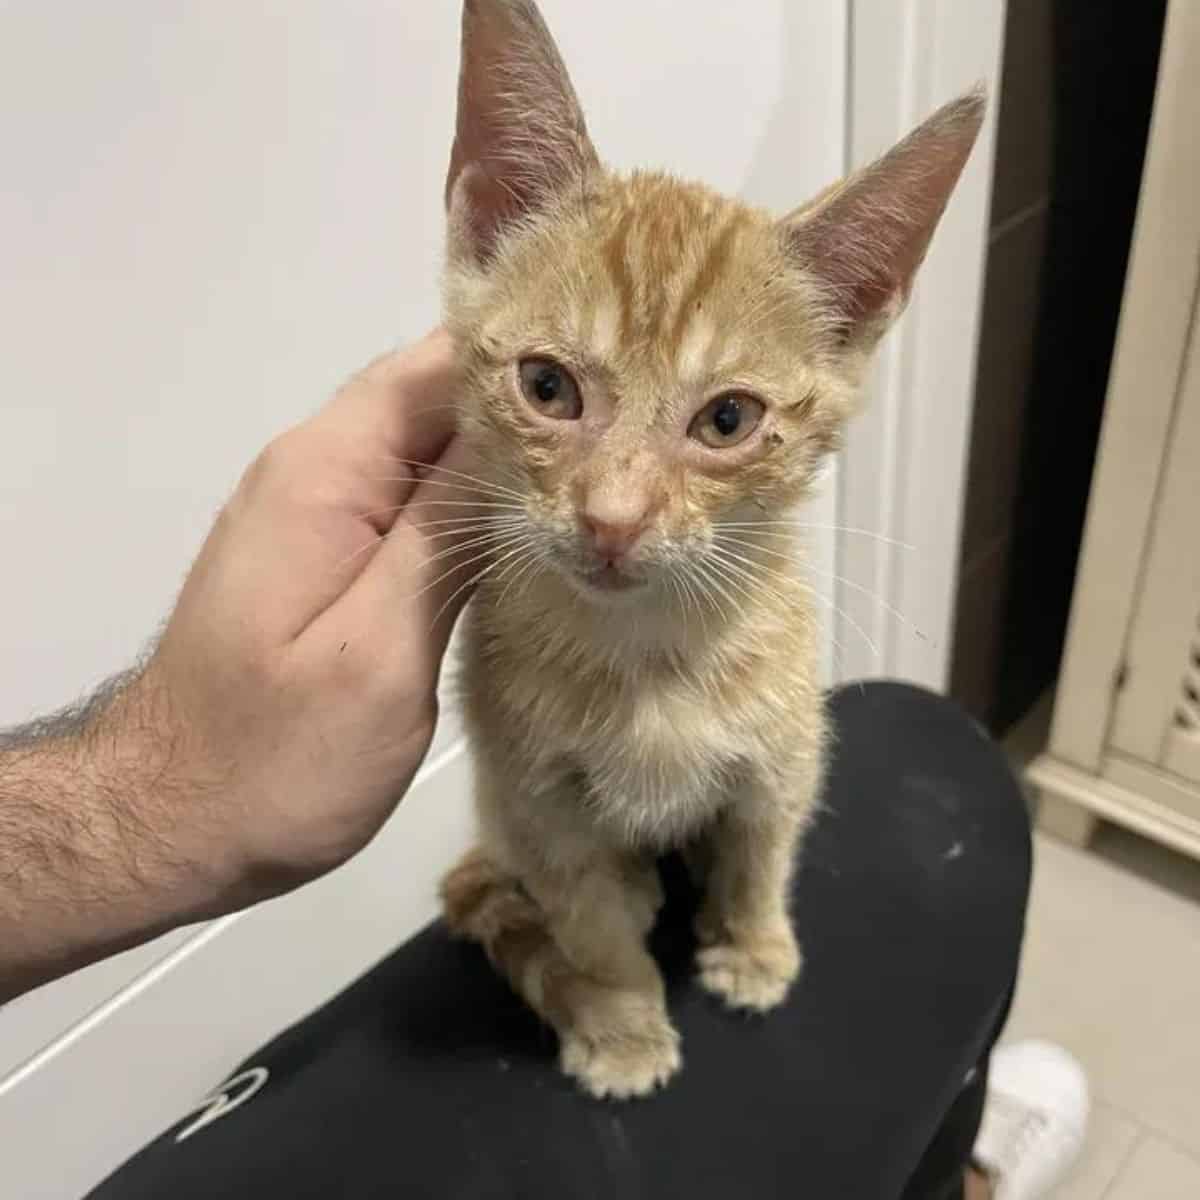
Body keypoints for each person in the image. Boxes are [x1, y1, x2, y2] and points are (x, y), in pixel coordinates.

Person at [0, 333, 1087, 1200]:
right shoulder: (516, 625)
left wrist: (751, 915)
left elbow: (774, 791)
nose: (613, 510)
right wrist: (610, 992)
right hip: (559, 869)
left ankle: (953, 1159)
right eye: (554, 386)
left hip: (722, 811)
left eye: (723, 418)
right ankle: (958, 1165)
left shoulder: (773, 617)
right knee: (916, 774)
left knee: (801, 778)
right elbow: (550, 835)